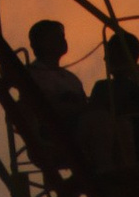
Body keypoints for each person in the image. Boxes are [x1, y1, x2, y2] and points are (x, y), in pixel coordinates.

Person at [88, 27, 139, 182]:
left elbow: (94, 117)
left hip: (125, 154)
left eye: (109, 54)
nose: (105, 58)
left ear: (120, 56)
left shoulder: (105, 88)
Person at [19, 17, 90, 163]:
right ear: (42, 42)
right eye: (57, 36)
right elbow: (43, 107)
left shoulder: (71, 78)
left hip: (78, 124)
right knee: (98, 123)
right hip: (54, 130)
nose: (62, 40)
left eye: (62, 36)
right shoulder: (32, 75)